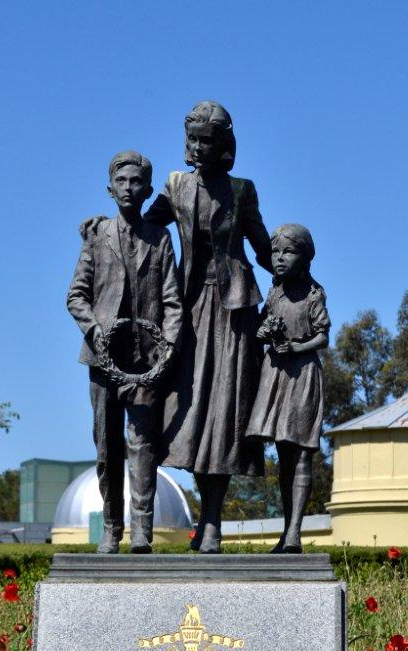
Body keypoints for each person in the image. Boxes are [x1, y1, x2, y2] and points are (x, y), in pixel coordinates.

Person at [143, 101, 272, 553]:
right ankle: (203, 516)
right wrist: (102, 226)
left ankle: (213, 522)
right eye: (193, 140)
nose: (198, 148)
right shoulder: (176, 186)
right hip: (188, 310)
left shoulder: (242, 191)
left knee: (224, 416)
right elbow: (142, 224)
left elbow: (263, 247)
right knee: (189, 414)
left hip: (234, 313)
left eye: (207, 141)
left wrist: (298, 276)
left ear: (224, 146)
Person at [67, 151, 182, 554]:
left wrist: (166, 348)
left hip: (145, 362)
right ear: (110, 188)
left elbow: (172, 301)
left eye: (137, 182)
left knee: (142, 444)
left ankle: (143, 532)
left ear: (148, 190)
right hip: (102, 361)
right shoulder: (96, 237)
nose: (129, 188)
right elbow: (76, 296)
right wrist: (95, 331)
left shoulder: (160, 239)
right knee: (106, 446)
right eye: (123, 182)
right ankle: (111, 528)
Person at [246, 224, 330, 553]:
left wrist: (295, 348)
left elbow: (323, 335)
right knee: (283, 455)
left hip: (302, 376)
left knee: (302, 456)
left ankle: (295, 530)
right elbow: (259, 329)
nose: (280, 259)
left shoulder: (313, 295)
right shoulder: (274, 293)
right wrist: (266, 331)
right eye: (276, 252)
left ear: (305, 258)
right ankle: (286, 530)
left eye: (289, 252)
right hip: (276, 376)